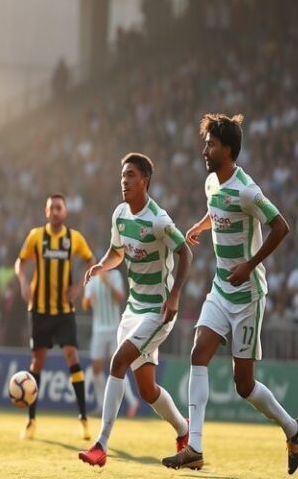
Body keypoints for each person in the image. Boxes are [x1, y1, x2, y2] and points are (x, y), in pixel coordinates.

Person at [162, 114, 298, 474]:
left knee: (244, 385)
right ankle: (194, 447)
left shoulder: (248, 190)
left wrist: (251, 263)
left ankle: (292, 428)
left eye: (210, 144)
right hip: (221, 288)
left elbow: (281, 226)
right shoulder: (212, 183)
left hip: (248, 296)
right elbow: (218, 210)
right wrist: (200, 223)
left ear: (228, 149)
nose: (204, 150)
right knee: (198, 354)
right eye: (205, 143)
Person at [79, 153, 192, 468]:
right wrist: (102, 265)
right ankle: (184, 429)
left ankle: (101, 445)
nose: (124, 181)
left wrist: (176, 295)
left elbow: (185, 253)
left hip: (158, 311)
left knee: (117, 362)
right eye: (122, 176)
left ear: (145, 180)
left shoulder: (159, 220)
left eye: (130, 175)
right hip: (132, 310)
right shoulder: (119, 214)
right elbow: (117, 252)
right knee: (146, 389)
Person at [15, 194, 95, 440]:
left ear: (65, 212)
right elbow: (21, 262)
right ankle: (31, 421)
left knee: (72, 356)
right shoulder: (36, 236)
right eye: (52, 208)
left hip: (63, 312)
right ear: (46, 211)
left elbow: (91, 260)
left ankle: (83, 418)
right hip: (39, 311)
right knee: (37, 363)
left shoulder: (74, 238)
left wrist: (79, 286)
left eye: (59, 208)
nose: (55, 212)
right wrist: (23, 281)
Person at [82, 268, 139, 418]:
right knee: (96, 369)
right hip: (98, 329)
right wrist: (88, 300)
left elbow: (120, 296)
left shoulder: (115, 275)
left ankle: (132, 402)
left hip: (114, 328)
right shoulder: (92, 278)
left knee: (117, 366)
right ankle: (102, 404)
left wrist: (108, 284)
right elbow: (85, 304)